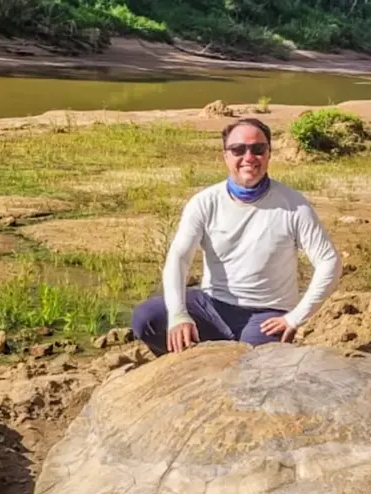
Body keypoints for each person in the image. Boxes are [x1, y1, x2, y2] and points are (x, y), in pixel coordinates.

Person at [130, 117, 343, 356]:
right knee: (147, 318)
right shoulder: (205, 202)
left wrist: (295, 318)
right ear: (226, 156)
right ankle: (191, 362)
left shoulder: (294, 206)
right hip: (211, 306)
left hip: (266, 314)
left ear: (269, 154)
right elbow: (178, 258)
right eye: (238, 150)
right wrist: (179, 315)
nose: (249, 157)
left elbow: (329, 262)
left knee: (250, 361)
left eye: (258, 149)